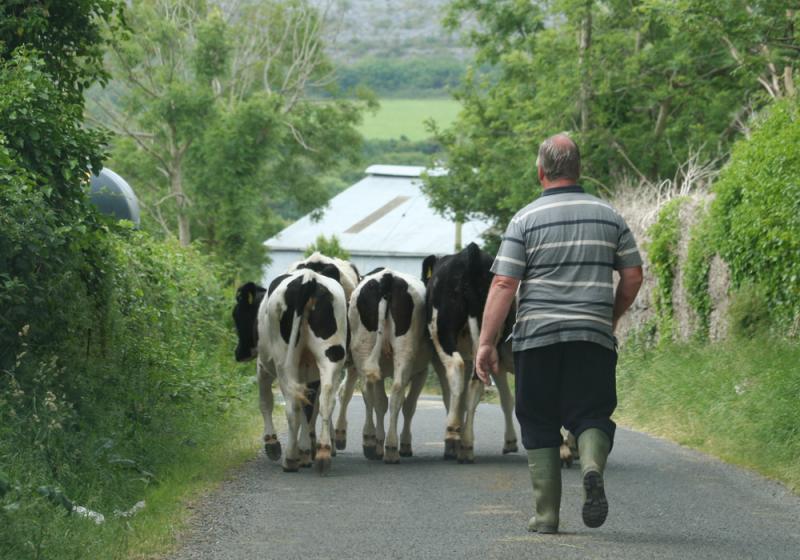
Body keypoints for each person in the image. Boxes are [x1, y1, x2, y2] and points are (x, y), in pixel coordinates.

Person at [475, 133, 643, 533]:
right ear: (579, 169)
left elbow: (504, 283)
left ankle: (547, 516)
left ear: (541, 172)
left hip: (537, 340)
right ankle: (590, 466)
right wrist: (609, 316)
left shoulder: (525, 220)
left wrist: (486, 343)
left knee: (538, 419)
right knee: (592, 413)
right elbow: (633, 276)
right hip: (592, 338)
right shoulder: (609, 216)